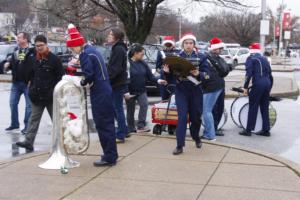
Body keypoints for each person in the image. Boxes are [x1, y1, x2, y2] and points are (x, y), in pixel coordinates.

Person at [65, 24, 118, 166]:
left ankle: (109, 157)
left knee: (103, 124)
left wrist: (79, 82)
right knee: (107, 124)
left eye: (72, 47)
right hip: (105, 89)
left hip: (99, 92)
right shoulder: (92, 50)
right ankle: (111, 154)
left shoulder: (85, 54)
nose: (72, 50)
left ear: (77, 45)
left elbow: (89, 75)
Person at [15, 35, 65, 151]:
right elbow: (30, 74)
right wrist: (31, 86)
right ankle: (28, 141)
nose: (38, 48)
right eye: (36, 46)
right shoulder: (34, 58)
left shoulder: (54, 59)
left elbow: (61, 77)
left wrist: (55, 91)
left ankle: (62, 142)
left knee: (56, 120)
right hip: (37, 95)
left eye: (41, 45)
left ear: (46, 45)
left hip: (51, 96)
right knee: (33, 119)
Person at [163, 33, 209, 155]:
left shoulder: (202, 57)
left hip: (196, 90)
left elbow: (208, 75)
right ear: (182, 44)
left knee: (196, 118)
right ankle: (179, 145)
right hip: (181, 90)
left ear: (194, 44)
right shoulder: (176, 57)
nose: (188, 45)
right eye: (186, 43)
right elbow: (170, 76)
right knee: (182, 117)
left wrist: (199, 74)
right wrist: (166, 72)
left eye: (191, 43)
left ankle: (196, 137)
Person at [126, 44, 167, 133]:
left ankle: (141, 126)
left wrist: (159, 80)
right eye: (142, 54)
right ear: (135, 53)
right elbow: (125, 78)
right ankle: (130, 128)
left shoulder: (143, 63)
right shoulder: (128, 63)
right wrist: (125, 91)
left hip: (141, 90)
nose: (143, 56)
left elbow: (151, 77)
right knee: (130, 110)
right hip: (130, 91)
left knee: (144, 105)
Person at [239, 43, 273, 137]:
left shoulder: (251, 59)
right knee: (264, 107)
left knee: (253, 106)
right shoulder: (265, 59)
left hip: (258, 84)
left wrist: (245, 87)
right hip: (267, 83)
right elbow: (270, 75)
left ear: (251, 51)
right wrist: (270, 87)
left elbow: (248, 74)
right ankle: (266, 130)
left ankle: (248, 130)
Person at [4, 32, 33, 134]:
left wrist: (32, 79)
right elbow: (18, 63)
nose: (17, 39)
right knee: (12, 103)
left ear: (25, 39)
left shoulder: (32, 51)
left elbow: (34, 67)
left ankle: (27, 127)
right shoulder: (17, 50)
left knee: (29, 106)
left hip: (28, 83)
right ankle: (14, 124)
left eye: (19, 37)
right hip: (16, 82)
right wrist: (9, 64)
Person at [107, 28, 129, 143]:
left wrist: (106, 79)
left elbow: (115, 69)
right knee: (116, 108)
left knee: (117, 108)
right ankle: (124, 130)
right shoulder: (118, 48)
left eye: (111, 34)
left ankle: (120, 134)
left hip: (117, 83)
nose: (108, 36)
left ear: (117, 37)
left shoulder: (118, 49)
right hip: (117, 82)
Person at [207, 38, 232, 137]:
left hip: (220, 85)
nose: (221, 50)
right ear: (214, 48)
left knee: (220, 107)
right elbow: (224, 70)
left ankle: (215, 127)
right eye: (219, 48)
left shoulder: (218, 58)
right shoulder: (209, 57)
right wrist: (226, 68)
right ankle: (212, 128)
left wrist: (228, 67)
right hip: (213, 86)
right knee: (214, 108)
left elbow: (226, 69)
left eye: (221, 48)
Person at [156, 36, 179, 100]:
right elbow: (157, 67)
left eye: (170, 44)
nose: (168, 46)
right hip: (164, 79)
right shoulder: (160, 52)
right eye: (167, 44)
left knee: (175, 98)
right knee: (164, 98)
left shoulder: (178, 52)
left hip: (174, 79)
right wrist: (162, 71)